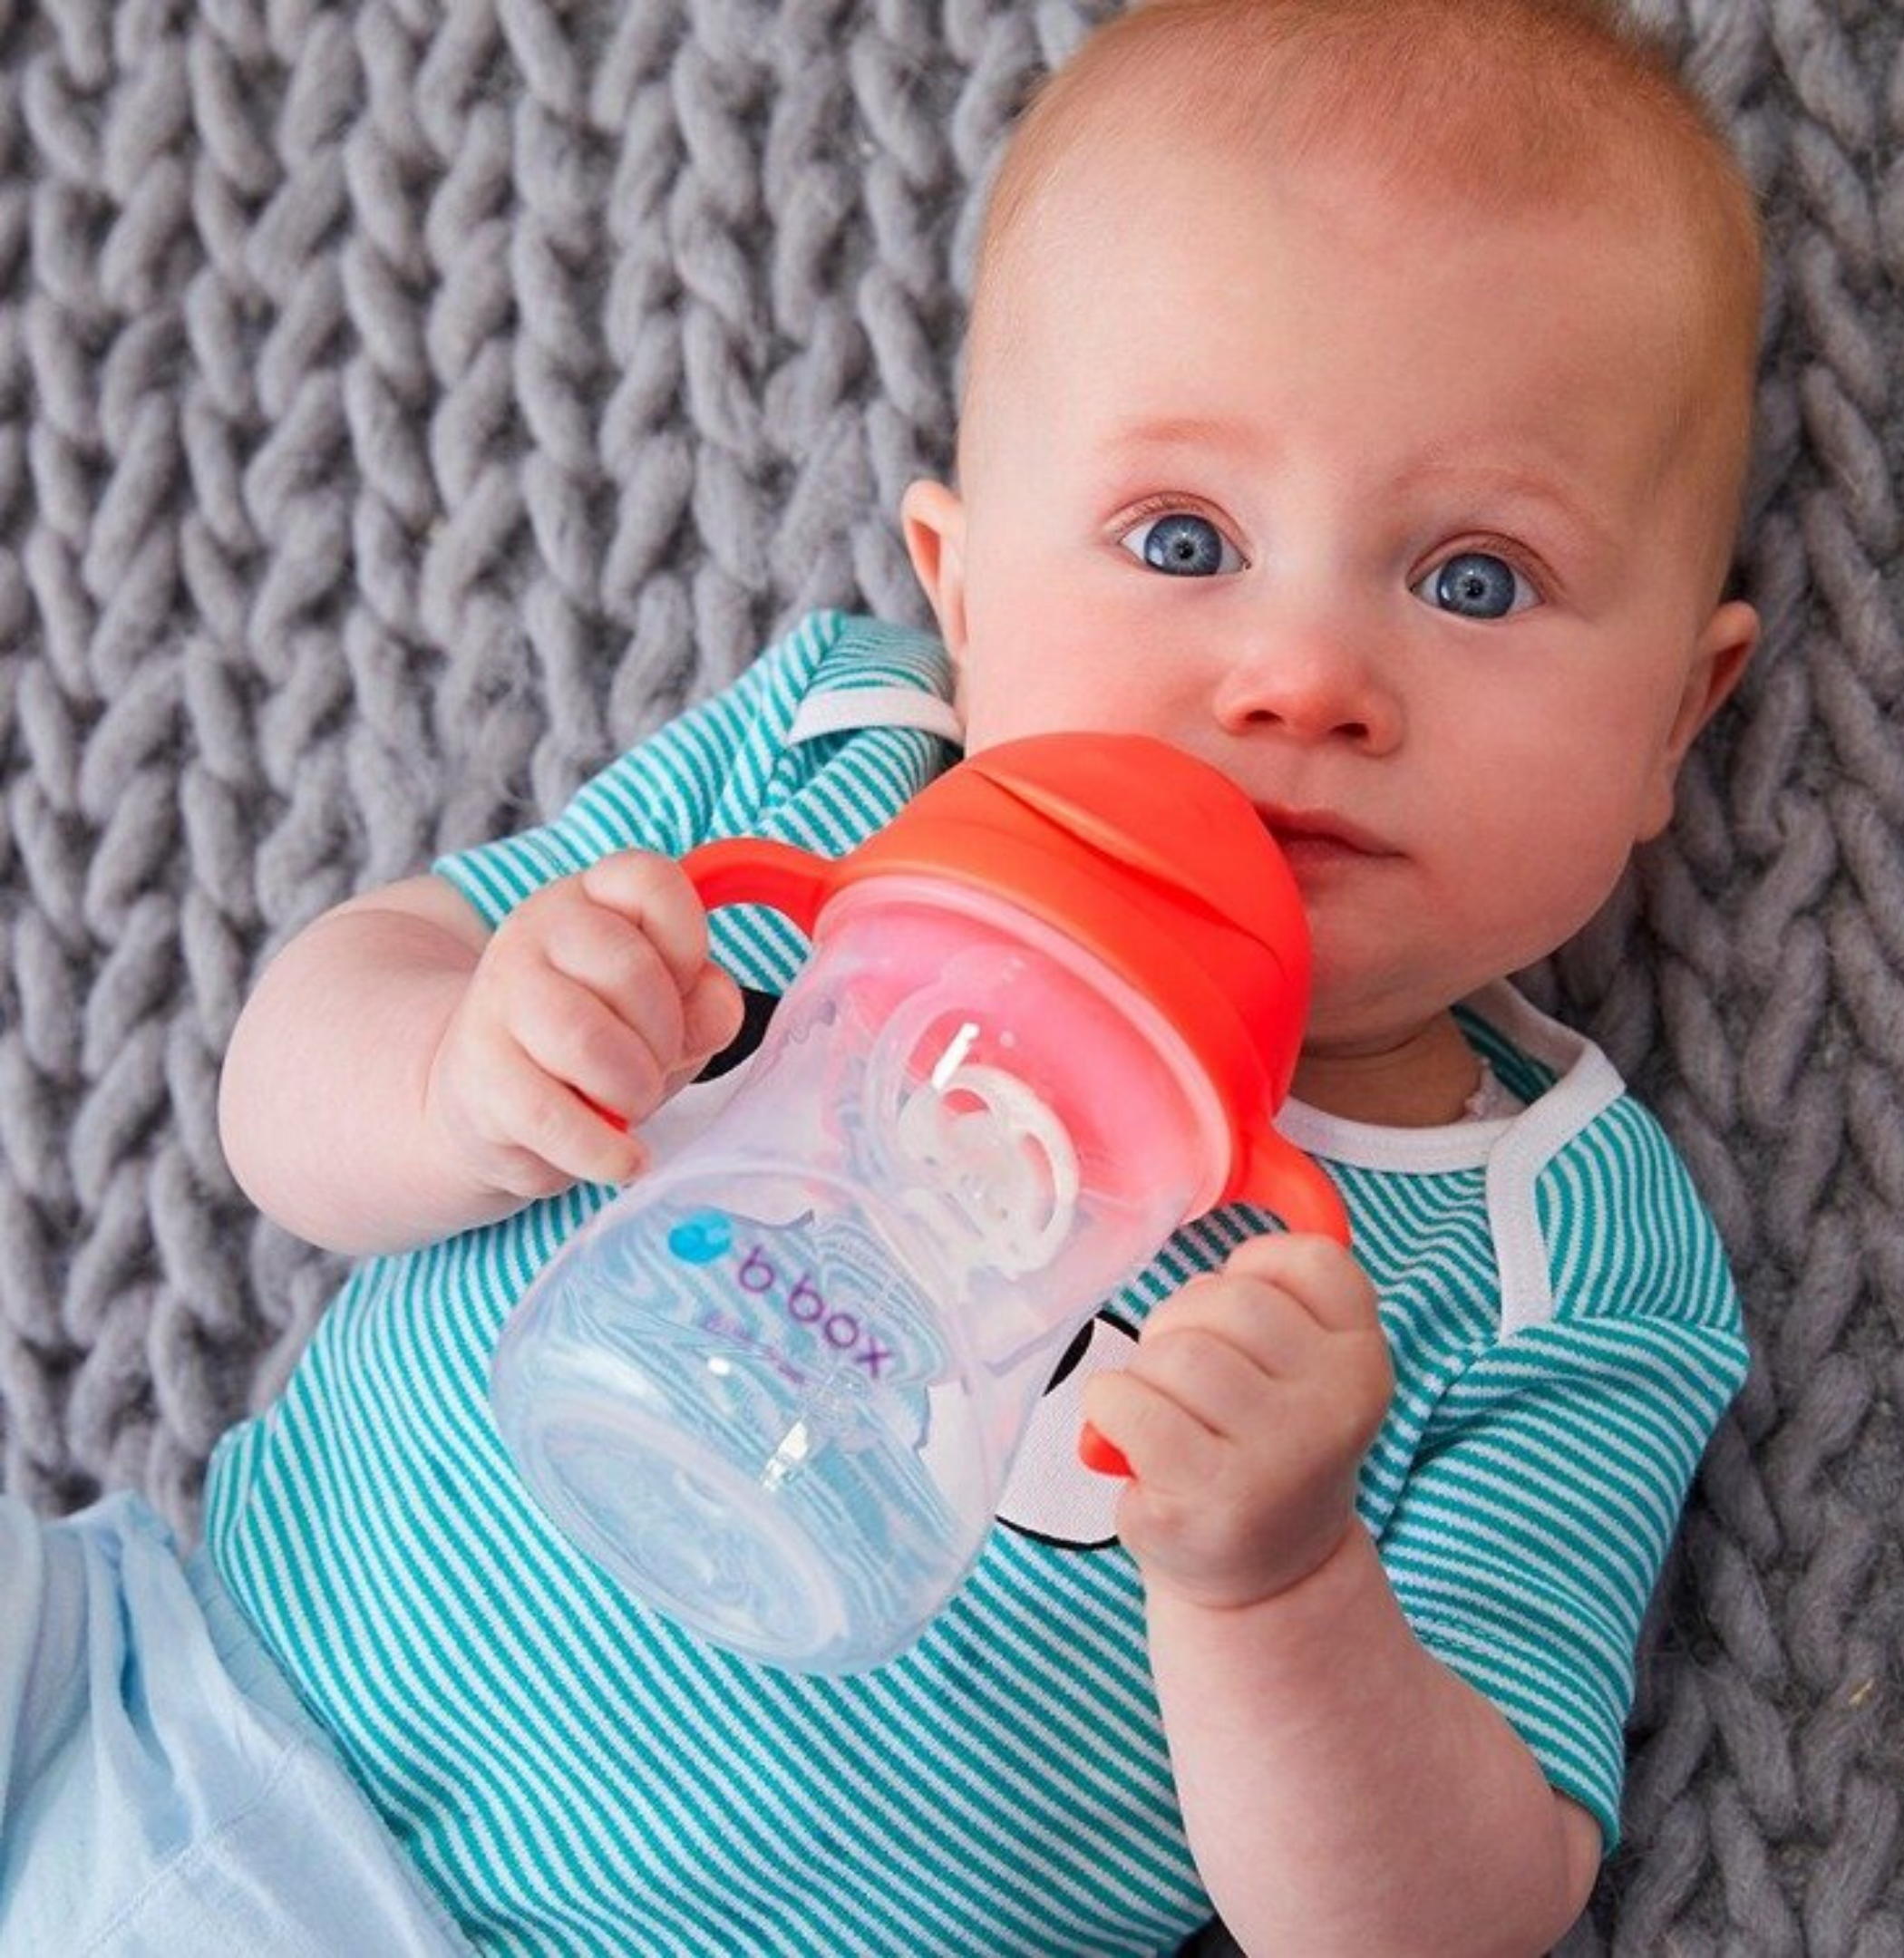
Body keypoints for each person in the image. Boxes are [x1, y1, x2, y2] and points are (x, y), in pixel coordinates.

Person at [2, 1, 1765, 1953]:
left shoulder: (1552, 1254)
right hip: (148, 1675)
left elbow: (1454, 1918)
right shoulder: (838, 767)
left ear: (1673, 720)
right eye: (1184, 539)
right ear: (963, 592)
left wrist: (1279, 1588)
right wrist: (457, 1067)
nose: (1304, 679)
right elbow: (286, 1090)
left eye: (1475, 580)